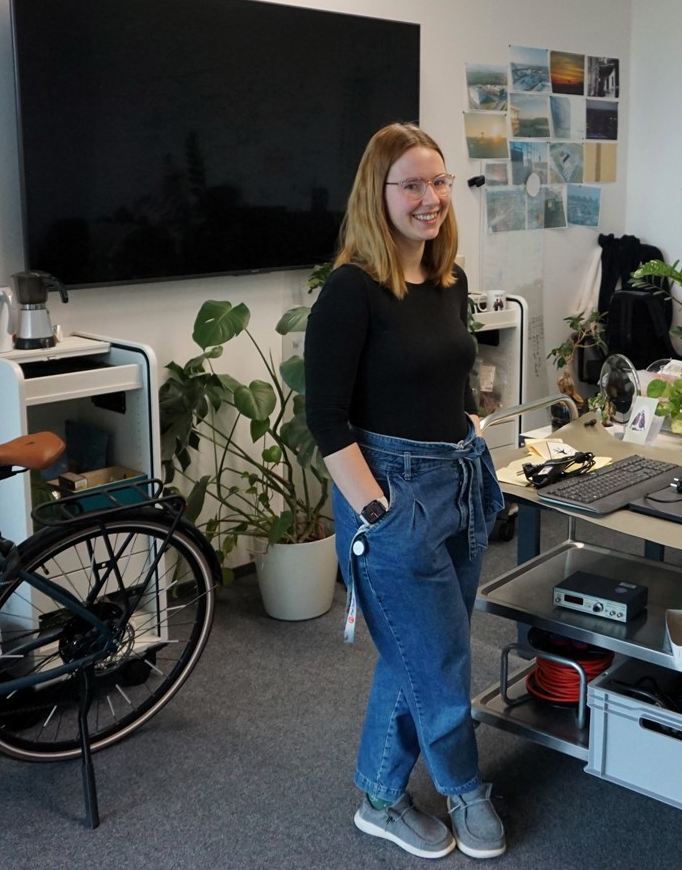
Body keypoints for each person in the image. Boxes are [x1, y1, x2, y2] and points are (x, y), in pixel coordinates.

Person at [304, 122, 506, 860]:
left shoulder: (448, 281)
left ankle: (380, 796)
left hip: (458, 482)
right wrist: (379, 511)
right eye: (413, 185)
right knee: (445, 657)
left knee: (416, 656)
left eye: (440, 183)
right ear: (378, 194)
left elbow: (453, 372)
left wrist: (473, 428)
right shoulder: (350, 291)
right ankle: (464, 787)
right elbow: (324, 420)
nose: (432, 199)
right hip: (391, 494)